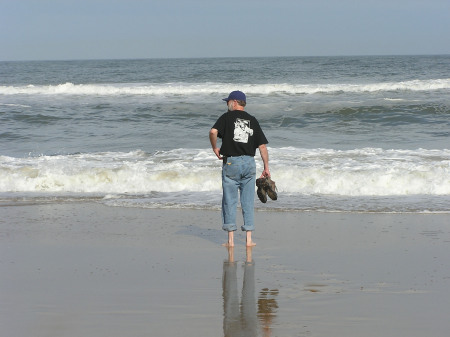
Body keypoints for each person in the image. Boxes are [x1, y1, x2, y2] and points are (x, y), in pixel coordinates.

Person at [209, 90, 270, 247]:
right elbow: (262, 146)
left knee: (229, 200)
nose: (227, 105)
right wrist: (266, 167)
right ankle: (249, 240)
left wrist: (215, 147)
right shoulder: (252, 120)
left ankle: (230, 241)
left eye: (228, 102)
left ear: (234, 102)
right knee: (248, 200)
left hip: (231, 163)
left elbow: (213, 131)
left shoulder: (226, 118)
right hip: (249, 163)